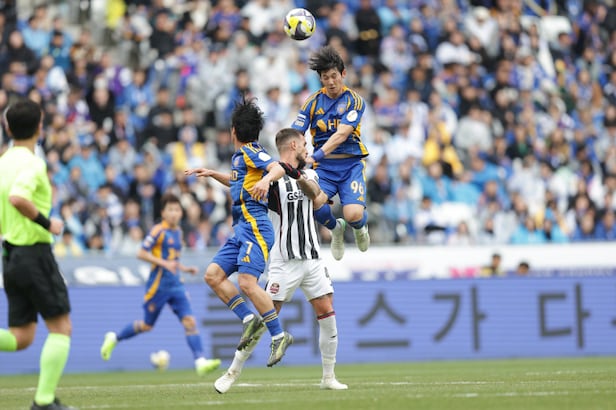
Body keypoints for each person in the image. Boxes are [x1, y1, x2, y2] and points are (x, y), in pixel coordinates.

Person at [214, 128, 348, 393]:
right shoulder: (269, 176)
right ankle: (232, 372)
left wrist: (298, 176)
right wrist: (214, 175)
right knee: (266, 317)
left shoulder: (310, 174)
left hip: (311, 258)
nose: (308, 148)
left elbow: (318, 197)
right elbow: (240, 185)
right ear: (294, 145)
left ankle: (328, 376)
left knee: (327, 312)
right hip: (283, 261)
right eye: (304, 144)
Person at [185, 97, 293, 367]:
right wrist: (213, 174)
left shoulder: (251, 152)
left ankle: (279, 335)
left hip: (255, 226)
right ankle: (248, 318)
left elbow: (278, 167)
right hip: (241, 228)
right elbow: (238, 182)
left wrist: (267, 180)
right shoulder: (241, 157)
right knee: (213, 275)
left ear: (233, 130)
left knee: (246, 283)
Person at [0, 99, 76, 410]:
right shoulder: (32, 164)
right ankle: (43, 402)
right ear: (40, 127)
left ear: (8, 128)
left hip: (10, 255)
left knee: (21, 337)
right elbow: (18, 198)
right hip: (34, 252)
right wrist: (49, 223)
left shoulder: (2, 163)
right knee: (61, 328)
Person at [100, 193, 221, 376]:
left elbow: (173, 260)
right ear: (163, 213)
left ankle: (200, 361)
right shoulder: (158, 231)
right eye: (170, 209)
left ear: (181, 213)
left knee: (190, 321)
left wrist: (185, 269)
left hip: (176, 285)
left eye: (177, 209)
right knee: (147, 325)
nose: (174, 213)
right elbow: (141, 253)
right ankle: (114, 337)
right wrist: (164, 264)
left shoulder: (178, 232)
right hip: (158, 286)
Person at [291, 45, 370, 261]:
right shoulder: (312, 102)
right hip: (324, 169)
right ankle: (336, 229)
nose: (331, 82)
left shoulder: (354, 100)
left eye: (334, 76)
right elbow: (296, 133)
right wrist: (292, 154)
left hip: (350, 166)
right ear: (320, 79)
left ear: (343, 74)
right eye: (325, 77)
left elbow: (342, 134)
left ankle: (360, 227)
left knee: (353, 215)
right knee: (313, 202)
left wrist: (314, 156)